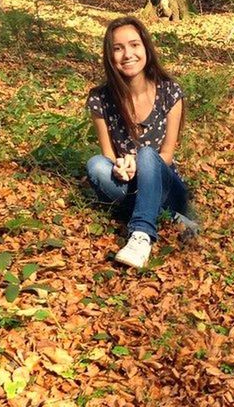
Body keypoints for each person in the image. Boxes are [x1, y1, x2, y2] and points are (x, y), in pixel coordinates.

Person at [85, 16, 198, 269]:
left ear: (146, 47)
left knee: (148, 154)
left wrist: (140, 162)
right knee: (95, 165)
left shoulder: (170, 92)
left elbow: (167, 154)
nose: (128, 54)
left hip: (167, 185)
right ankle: (162, 216)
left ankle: (141, 235)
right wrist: (120, 167)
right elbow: (108, 153)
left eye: (134, 45)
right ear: (109, 55)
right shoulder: (100, 99)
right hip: (129, 184)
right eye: (118, 48)